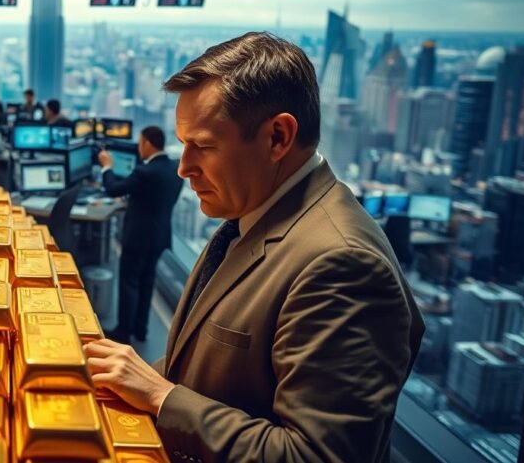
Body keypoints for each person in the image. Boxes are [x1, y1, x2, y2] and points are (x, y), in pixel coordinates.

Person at [84, 32, 424, 462]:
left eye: (204, 146)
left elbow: (316, 456)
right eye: (182, 144)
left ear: (278, 137)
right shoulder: (253, 212)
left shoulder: (343, 264)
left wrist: (163, 398)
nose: (185, 168)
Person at [98, 126, 183, 343]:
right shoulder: (175, 169)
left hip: (137, 238)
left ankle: (123, 332)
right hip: (159, 237)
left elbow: (113, 189)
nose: (138, 148)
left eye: (139, 143)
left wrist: (107, 167)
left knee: (129, 283)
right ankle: (140, 329)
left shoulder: (144, 172)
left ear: (147, 143)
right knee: (147, 282)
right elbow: (152, 198)